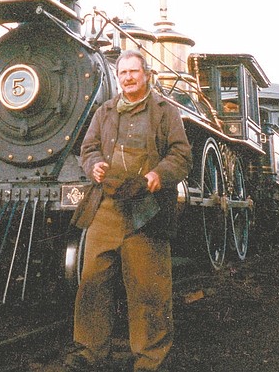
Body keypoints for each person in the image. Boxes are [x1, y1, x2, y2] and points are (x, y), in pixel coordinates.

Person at [66, 49, 192, 371]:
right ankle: (89, 354)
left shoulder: (166, 112)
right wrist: (92, 165)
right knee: (92, 280)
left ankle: (150, 361)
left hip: (146, 208)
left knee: (148, 288)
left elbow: (181, 154)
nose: (127, 78)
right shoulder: (104, 111)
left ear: (146, 74)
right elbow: (89, 148)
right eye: (122, 73)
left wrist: (157, 175)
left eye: (134, 72)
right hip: (106, 206)